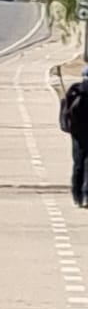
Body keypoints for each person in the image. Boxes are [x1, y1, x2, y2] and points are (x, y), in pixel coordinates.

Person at [60, 65, 88, 206]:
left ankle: (77, 196)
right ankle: (86, 194)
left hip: (77, 133)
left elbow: (65, 112)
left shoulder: (75, 91)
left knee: (78, 164)